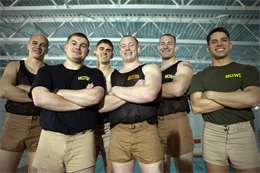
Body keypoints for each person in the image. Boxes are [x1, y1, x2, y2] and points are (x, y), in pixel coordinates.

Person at [28, 33, 106, 173]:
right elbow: (40, 99)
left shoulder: (95, 73)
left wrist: (56, 91)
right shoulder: (47, 71)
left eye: (83, 46)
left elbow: (94, 98)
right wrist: (83, 100)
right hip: (50, 138)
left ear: (87, 52)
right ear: (66, 47)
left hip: (83, 139)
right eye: (74, 43)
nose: (78, 47)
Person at [188, 27, 260, 173]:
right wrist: (236, 95)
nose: (219, 44)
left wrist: (211, 94)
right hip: (212, 133)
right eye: (214, 42)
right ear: (208, 49)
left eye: (223, 40)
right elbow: (197, 107)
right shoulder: (199, 77)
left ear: (230, 45)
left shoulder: (247, 70)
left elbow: (252, 99)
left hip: (242, 133)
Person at [99, 35, 164, 173]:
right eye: (123, 46)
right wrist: (135, 90)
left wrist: (115, 91)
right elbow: (103, 106)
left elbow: (149, 94)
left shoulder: (150, 68)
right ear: (120, 51)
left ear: (138, 49)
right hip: (118, 133)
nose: (127, 48)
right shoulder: (111, 76)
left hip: (146, 130)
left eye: (131, 45)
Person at [0, 34, 48, 173]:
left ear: (47, 50)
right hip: (14, 124)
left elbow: (53, 96)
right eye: (34, 43)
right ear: (28, 46)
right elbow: (4, 91)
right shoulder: (14, 65)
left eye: (42, 45)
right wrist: (39, 97)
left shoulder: (51, 72)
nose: (38, 47)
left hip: (41, 126)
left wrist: (22, 89)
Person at [156, 34, 194, 173]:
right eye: (162, 43)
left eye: (170, 43)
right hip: (155, 123)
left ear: (176, 47)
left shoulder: (183, 65)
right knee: (160, 169)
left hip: (176, 121)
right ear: (159, 47)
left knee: (184, 170)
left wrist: (149, 92)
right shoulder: (155, 71)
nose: (166, 46)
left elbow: (178, 89)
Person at [94, 39, 114, 173]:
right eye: (101, 49)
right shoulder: (88, 74)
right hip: (89, 127)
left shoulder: (117, 76)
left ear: (112, 55)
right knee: (84, 168)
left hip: (110, 128)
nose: (104, 52)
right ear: (95, 52)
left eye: (108, 50)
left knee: (110, 169)